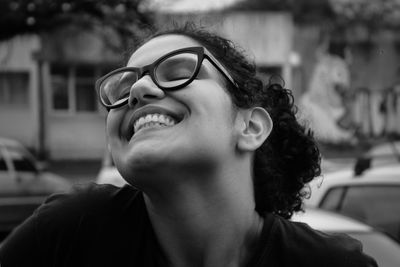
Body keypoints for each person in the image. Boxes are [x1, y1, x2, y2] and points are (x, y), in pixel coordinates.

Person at [0, 24, 377, 267]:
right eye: (123, 85)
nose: (137, 90)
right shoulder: (68, 234)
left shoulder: (333, 264)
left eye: (179, 72)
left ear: (250, 126)